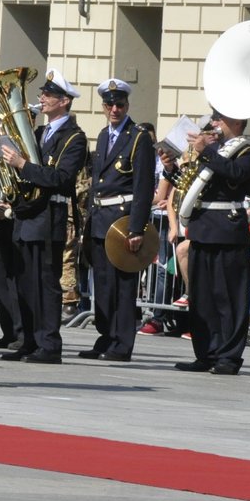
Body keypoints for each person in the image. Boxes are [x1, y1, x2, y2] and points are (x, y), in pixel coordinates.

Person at [0, 69, 89, 363]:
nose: (42, 99)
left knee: (45, 283)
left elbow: (61, 177)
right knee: (24, 281)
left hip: (50, 215)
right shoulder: (39, 132)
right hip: (27, 214)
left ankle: (49, 344)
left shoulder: (74, 137)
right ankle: (27, 340)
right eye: (42, 94)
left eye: (48, 95)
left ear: (64, 101)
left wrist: (22, 164)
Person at [175, 108, 250, 375]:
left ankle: (228, 356)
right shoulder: (215, 149)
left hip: (227, 228)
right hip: (203, 228)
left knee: (229, 298)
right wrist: (171, 168)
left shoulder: (249, 152)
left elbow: (236, 175)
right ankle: (206, 352)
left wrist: (208, 152)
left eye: (219, 119)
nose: (213, 123)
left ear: (236, 121)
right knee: (202, 297)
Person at [80, 79, 156, 362]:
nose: (114, 109)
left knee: (123, 285)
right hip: (100, 219)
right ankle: (106, 336)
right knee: (103, 284)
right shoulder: (102, 135)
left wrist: (137, 228)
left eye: (119, 105)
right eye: (109, 104)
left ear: (127, 106)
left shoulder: (138, 138)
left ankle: (122, 343)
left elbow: (143, 187)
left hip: (123, 222)